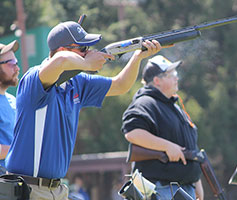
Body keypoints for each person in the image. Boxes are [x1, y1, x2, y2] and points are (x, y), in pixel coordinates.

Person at [5, 21, 163, 200]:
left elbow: (121, 85)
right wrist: (87, 64)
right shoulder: (34, 78)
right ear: (62, 49)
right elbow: (61, 61)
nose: (89, 52)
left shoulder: (77, 82)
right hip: (29, 189)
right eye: (83, 49)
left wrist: (137, 57)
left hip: (57, 189)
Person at [121, 55, 204, 200]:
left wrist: (196, 182)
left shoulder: (173, 107)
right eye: (172, 75)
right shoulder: (145, 103)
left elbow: (189, 149)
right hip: (162, 188)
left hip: (181, 188)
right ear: (157, 80)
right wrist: (167, 146)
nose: (176, 78)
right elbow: (132, 132)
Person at [0, 40, 19, 175]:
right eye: (11, 64)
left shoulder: (13, 101)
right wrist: (22, 150)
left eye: (16, 63)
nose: (17, 68)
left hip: (16, 185)